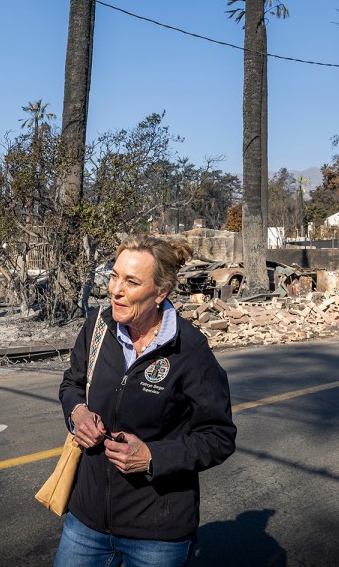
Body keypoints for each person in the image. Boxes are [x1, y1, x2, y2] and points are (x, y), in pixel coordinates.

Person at [53, 236, 237, 567]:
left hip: (157, 533)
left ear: (161, 292)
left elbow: (219, 436)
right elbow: (72, 383)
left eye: (131, 281)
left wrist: (153, 457)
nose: (115, 290)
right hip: (86, 523)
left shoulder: (189, 349)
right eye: (114, 275)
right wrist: (78, 413)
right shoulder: (97, 327)